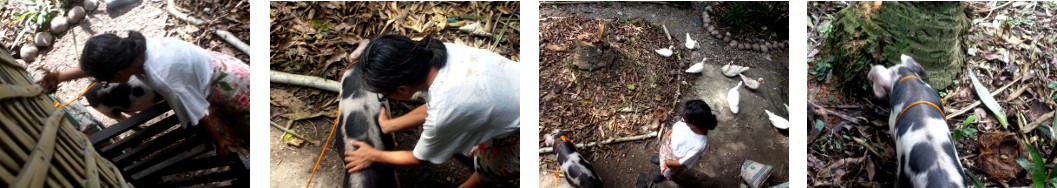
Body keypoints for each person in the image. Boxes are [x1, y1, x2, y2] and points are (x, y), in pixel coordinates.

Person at [341, 34, 520, 188]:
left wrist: (373, 154)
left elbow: (419, 158)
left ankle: (473, 182)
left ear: (402, 89)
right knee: (482, 137)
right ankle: (482, 150)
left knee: (492, 166)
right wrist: (390, 125)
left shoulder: (445, 111)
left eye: (384, 94)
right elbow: (437, 105)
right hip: (515, 92)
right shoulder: (443, 53)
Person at [36, 31, 249, 155]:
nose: (105, 83)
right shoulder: (135, 47)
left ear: (118, 73)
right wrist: (59, 76)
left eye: (105, 80)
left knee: (240, 133)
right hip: (224, 64)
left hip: (232, 89)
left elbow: (199, 115)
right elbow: (103, 64)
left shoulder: (162, 77)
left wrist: (218, 141)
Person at [649, 100, 716, 182]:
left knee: (667, 170)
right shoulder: (691, 121)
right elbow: (679, 126)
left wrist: (669, 163)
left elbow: (682, 162)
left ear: (693, 125)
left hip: (675, 160)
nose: (682, 120)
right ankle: (661, 162)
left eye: (684, 120)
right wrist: (670, 132)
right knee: (663, 156)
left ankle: (662, 173)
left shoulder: (699, 144)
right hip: (670, 147)